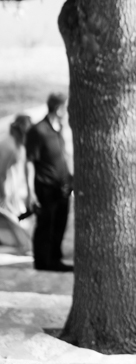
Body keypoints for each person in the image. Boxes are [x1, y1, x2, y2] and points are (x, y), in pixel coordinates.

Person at [25, 94, 73, 272]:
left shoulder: (59, 128)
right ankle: (43, 261)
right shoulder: (38, 131)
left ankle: (55, 258)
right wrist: (31, 191)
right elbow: (30, 161)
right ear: (59, 108)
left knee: (60, 222)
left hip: (61, 186)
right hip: (44, 186)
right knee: (46, 224)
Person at [0, 115, 32, 218]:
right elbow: (1, 173)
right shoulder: (9, 145)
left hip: (15, 191)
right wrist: (4, 195)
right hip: (7, 193)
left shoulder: (17, 142)